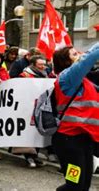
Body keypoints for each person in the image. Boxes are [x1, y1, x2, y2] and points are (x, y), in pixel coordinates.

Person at [52, 43, 99, 191]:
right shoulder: (67, 77)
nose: (78, 55)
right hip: (69, 142)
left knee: (84, 185)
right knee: (75, 185)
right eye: (74, 54)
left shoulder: (85, 82)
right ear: (65, 61)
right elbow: (88, 58)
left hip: (84, 139)